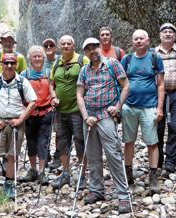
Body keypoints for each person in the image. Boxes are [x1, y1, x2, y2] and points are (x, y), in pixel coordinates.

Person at [77, 37, 131, 213]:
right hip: (90, 118)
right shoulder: (85, 70)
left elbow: (125, 85)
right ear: (85, 52)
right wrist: (85, 117)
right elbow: (79, 95)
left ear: (100, 47)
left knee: (114, 155)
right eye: (88, 49)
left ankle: (123, 195)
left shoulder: (112, 64)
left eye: (94, 47)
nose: (92, 51)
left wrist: (118, 107)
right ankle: (96, 190)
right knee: (92, 156)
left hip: (106, 115)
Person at [0, 53, 37, 204]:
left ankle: (9, 185)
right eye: (6, 63)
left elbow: (32, 102)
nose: (9, 66)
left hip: (16, 124)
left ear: (16, 64)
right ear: (1, 65)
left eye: (12, 63)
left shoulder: (22, 82)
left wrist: (21, 119)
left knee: (12, 156)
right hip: (0, 123)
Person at [121, 29, 164, 194]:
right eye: (135, 39)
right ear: (132, 42)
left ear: (148, 41)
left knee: (152, 142)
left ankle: (153, 177)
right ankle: (128, 173)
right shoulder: (127, 59)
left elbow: (160, 84)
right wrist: (120, 105)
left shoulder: (155, 58)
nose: (138, 41)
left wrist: (160, 108)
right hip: (129, 106)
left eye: (141, 38)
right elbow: (121, 82)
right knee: (128, 141)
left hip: (149, 106)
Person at [49, 35, 90, 190]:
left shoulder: (82, 61)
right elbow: (51, 84)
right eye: (63, 44)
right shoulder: (56, 64)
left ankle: (82, 175)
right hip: (60, 110)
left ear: (74, 45)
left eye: (69, 43)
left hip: (77, 110)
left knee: (80, 141)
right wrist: (53, 97)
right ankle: (65, 173)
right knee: (62, 142)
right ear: (59, 47)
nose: (66, 46)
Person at [18, 45, 54, 185]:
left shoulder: (49, 73)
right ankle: (33, 170)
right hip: (29, 114)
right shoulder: (24, 75)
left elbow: (53, 90)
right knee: (31, 141)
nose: (37, 58)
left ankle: (42, 171)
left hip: (46, 113)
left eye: (40, 56)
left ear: (44, 58)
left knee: (43, 142)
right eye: (35, 56)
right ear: (30, 59)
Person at [155, 23, 176, 177]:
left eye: (171, 32)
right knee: (158, 128)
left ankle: (170, 162)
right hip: (157, 95)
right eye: (164, 31)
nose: (168, 34)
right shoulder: (153, 53)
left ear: (175, 36)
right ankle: (158, 160)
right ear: (160, 35)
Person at [42, 38, 61, 170]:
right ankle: (46, 153)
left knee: (59, 130)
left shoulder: (61, 60)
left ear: (56, 47)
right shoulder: (39, 61)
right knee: (45, 130)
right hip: (43, 102)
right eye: (46, 46)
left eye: (51, 45)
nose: (49, 47)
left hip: (59, 101)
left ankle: (58, 155)